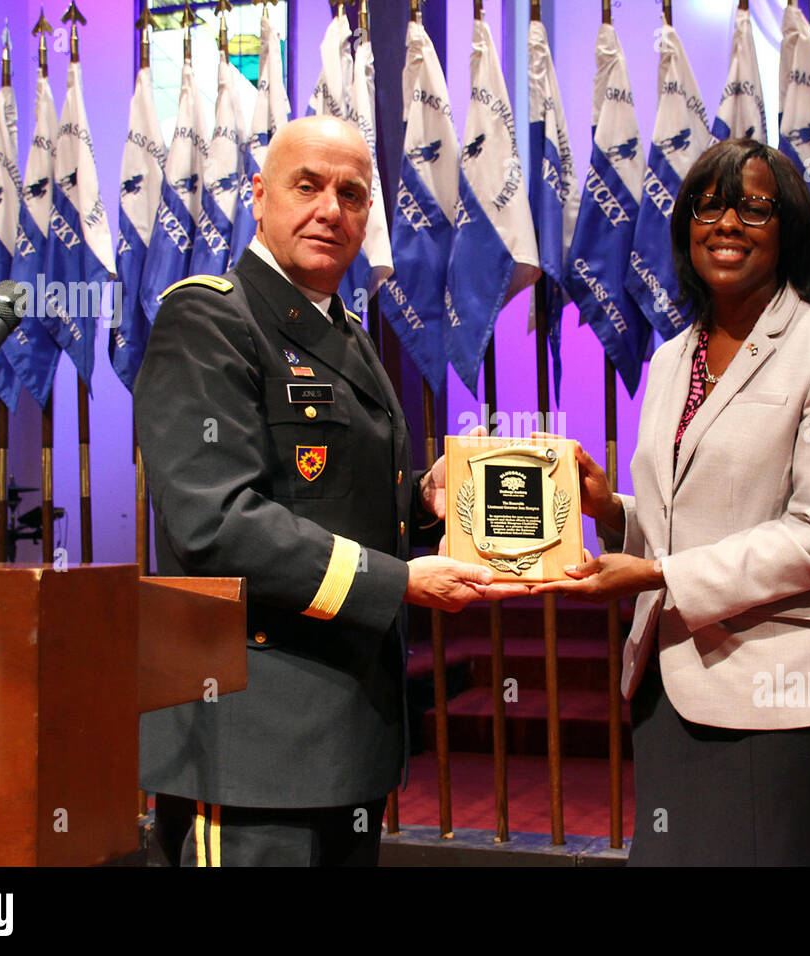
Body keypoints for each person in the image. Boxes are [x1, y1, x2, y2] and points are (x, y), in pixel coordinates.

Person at [134, 115, 521, 867]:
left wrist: (421, 500)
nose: (330, 210)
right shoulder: (210, 316)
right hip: (250, 740)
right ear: (259, 195)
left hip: (343, 737)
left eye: (351, 193)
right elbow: (217, 520)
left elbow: (325, 492)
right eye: (306, 186)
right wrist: (400, 582)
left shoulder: (342, 328)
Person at [535, 138, 810, 865]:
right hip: (671, 683)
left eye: (753, 208)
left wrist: (662, 578)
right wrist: (614, 514)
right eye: (709, 206)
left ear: (788, 229)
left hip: (784, 693)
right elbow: (686, 518)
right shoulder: (672, 357)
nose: (726, 223)